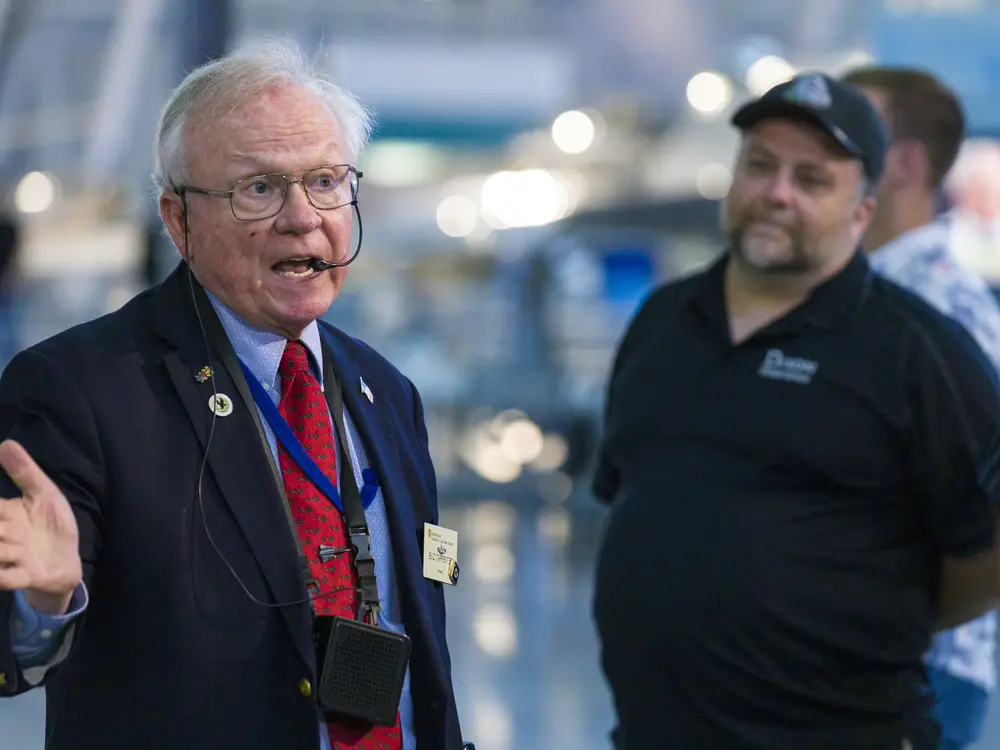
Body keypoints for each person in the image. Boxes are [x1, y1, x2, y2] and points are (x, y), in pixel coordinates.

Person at [0, 40, 469, 750]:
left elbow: (426, 616)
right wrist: (43, 603)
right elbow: (14, 649)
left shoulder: (388, 394)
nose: (302, 216)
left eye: (325, 180)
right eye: (259, 188)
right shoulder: (78, 390)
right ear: (178, 219)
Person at [592, 72, 1000, 750]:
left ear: (862, 211)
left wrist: (868, 612)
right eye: (760, 165)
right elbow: (629, 496)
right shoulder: (664, 321)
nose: (776, 192)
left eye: (812, 180)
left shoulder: (919, 350)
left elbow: (988, 548)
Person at [843, 65, 1000, 750]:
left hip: (919, 668)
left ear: (903, 162)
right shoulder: (856, 303)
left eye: (846, 136)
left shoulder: (944, 310)